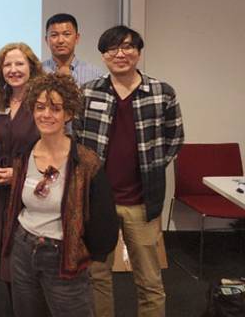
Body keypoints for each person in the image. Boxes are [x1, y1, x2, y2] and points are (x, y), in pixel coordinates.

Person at [74, 26, 184, 317]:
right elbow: (77, 139)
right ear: (103, 55)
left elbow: (175, 138)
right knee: (97, 276)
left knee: (149, 279)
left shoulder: (162, 93)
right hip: (98, 202)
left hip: (141, 202)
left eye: (127, 47)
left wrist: (153, 166)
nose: (120, 54)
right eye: (112, 49)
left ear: (138, 52)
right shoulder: (88, 92)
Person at [1, 73, 118, 317]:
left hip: (64, 255)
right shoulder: (24, 154)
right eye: (40, 107)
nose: (46, 115)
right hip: (23, 250)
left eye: (55, 108)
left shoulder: (85, 161)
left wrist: (91, 255)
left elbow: (104, 218)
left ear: (69, 114)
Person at [0, 43, 43, 284]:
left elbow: (50, 152)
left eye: (19, 63)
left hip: (29, 189)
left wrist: (17, 174)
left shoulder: (41, 100)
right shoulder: (0, 99)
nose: (13, 69)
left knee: (24, 258)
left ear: (31, 67)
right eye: (8, 64)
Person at [41, 13, 102, 86]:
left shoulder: (95, 74)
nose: (60, 40)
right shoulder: (37, 72)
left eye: (66, 34)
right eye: (54, 35)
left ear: (77, 38)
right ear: (46, 40)